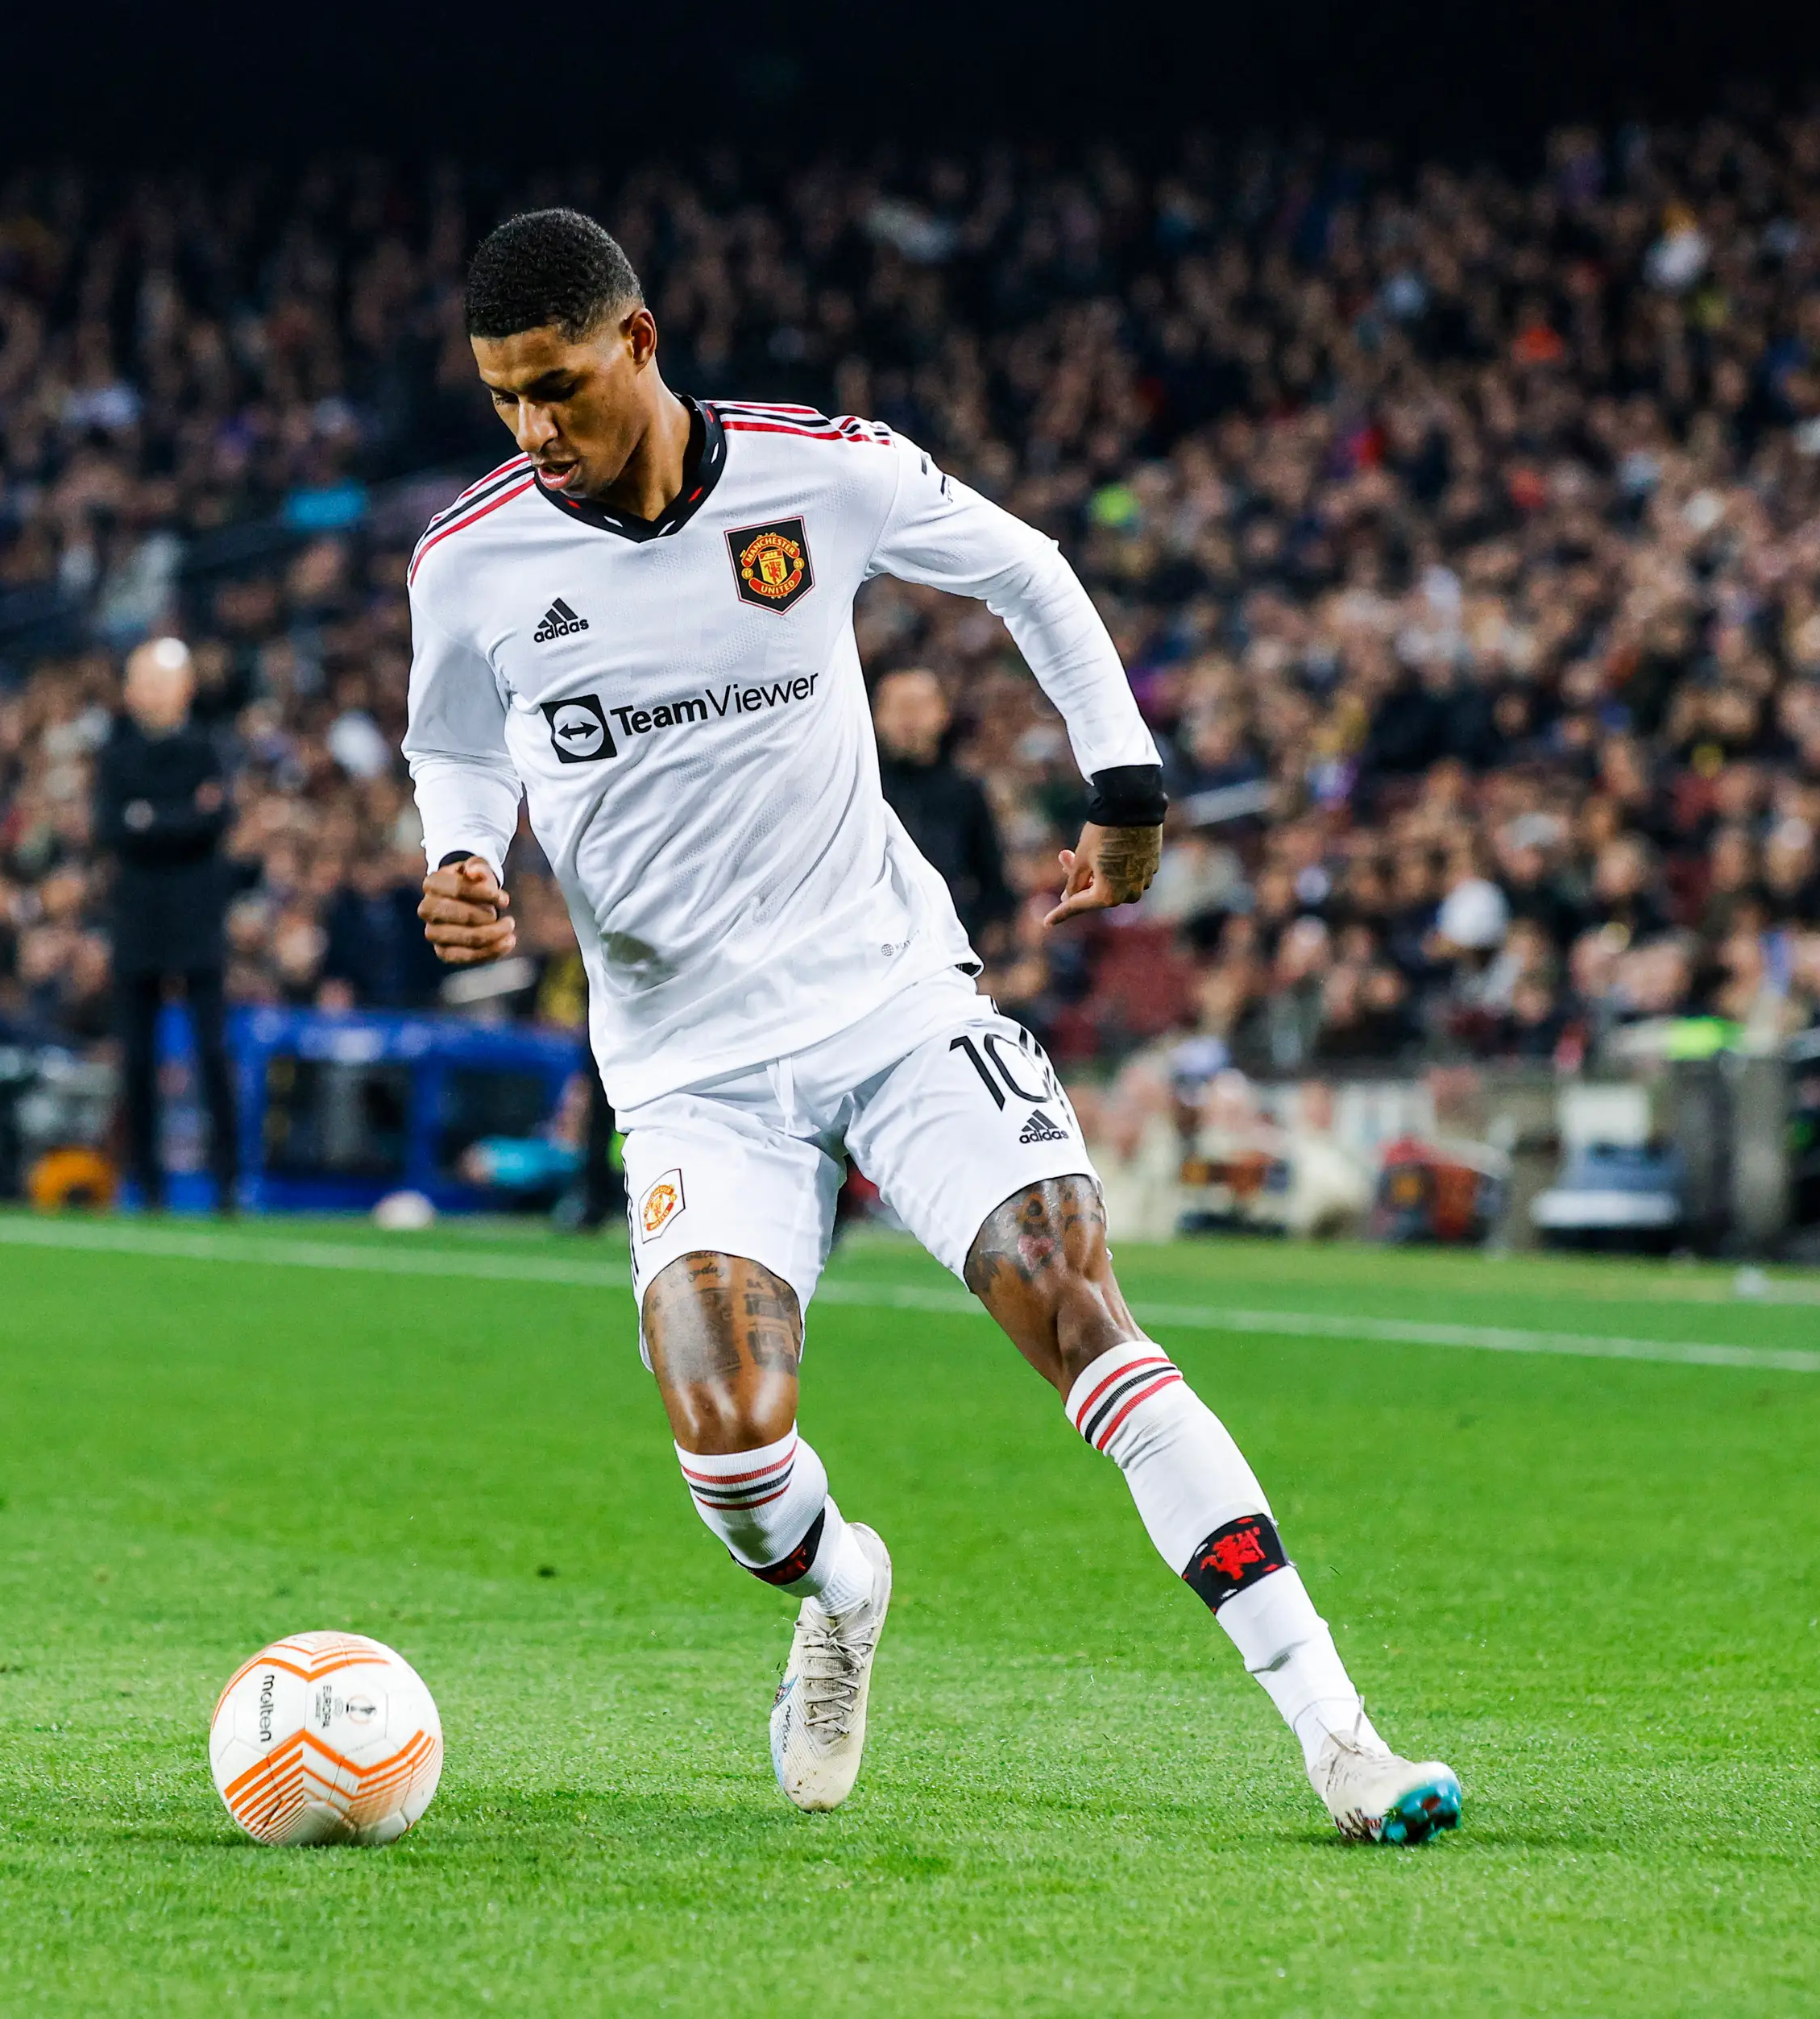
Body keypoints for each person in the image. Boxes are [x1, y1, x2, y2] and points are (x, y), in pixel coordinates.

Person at [404, 210, 1458, 1844]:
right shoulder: (470, 556)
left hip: (888, 996)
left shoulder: (816, 473)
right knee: (738, 1463)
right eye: (502, 401)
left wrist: (1127, 788)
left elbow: (1026, 568)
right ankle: (841, 1587)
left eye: (557, 388)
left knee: (1073, 1298)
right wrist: (462, 853)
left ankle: (1342, 1732)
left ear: (641, 341)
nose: (535, 431)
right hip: (687, 1066)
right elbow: (455, 740)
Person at [94, 636, 240, 1212]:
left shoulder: (209, 748)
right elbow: (113, 827)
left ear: (183, 688)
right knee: (136, 1059)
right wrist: (181, 818)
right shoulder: (117, 753)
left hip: (196, 920)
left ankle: (226, 1182)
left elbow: (213, 818)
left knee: (211, 1053)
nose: (143, 695)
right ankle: (146, 1183)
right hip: (138, 921)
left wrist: (150, 820)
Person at [872, 665, 1015, 951]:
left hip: (945, 945)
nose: (909, 718)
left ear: (943, 713)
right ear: (876, 716)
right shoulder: (861, 788)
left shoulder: (966, 791)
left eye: (919, 706)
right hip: (871, 939)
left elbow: (991, 877)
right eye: (899, 707)